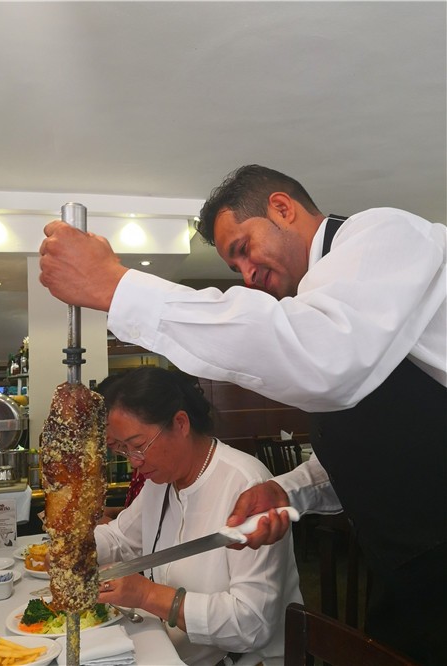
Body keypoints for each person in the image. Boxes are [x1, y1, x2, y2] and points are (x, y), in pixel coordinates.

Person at [40, 164, 446, 664]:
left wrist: (117, 287)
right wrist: (289, 489)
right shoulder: (328, 307)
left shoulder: (385, 233)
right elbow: (379, 445)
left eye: (243, 248)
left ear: (282, 207)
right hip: (408, 569)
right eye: (236, 267)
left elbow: (325, 359)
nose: (248, 275)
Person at [94, 366, 302, 666]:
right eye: (123, 450)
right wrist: (70, 548)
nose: (134, 462)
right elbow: (120, 538)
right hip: (177, 653)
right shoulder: (161, 481)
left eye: (138, 446)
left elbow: (252, 624)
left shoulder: (246, 486)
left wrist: (148, 596)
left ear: (180, 423)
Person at [94, 374, 146, 523]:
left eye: (106, 425)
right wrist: (117, 513)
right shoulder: (138, 461)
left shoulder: (151, 464)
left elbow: (152, 524)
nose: (104, 437)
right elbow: (140, 514)